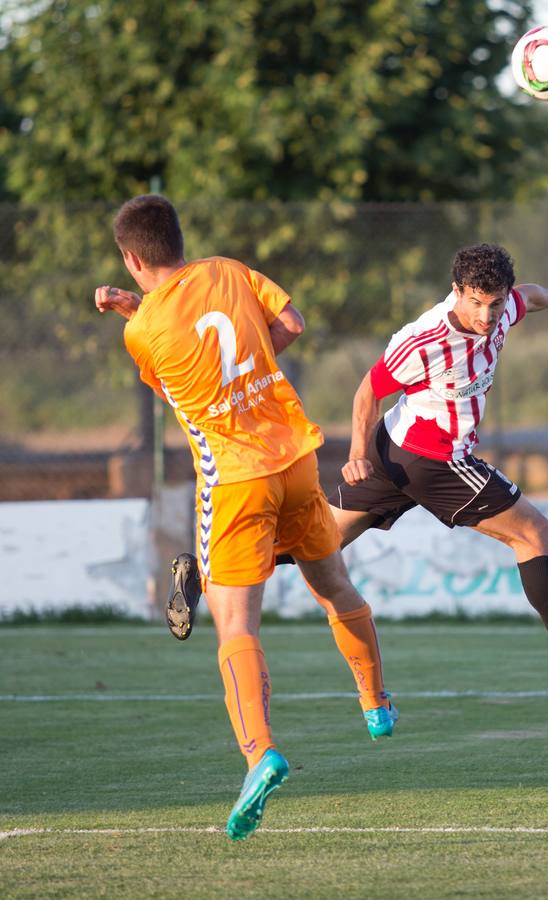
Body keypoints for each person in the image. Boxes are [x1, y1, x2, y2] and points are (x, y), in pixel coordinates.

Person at [95, 195, 397, 842]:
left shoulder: (140, 333)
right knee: (333, 586)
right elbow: (292, 322)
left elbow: (173, 378)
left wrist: (133, 311)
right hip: (295, 459)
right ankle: (376, 703)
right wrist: (259, 362)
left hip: (234, 479)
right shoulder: (230, 270)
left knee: (235, 625)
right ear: (178, 238)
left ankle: (260, 752)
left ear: (131, 257)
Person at [284, 242, 548, 686]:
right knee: (534, 533)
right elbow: (368, 392)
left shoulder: (504, 307)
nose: (486, 316)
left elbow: (527, 296)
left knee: (318, 541)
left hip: (397, 451)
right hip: (432, 459)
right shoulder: (425, 340)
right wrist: (356, 454)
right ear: (456, 290)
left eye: (494, 304)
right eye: (475, 303)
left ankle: (208, 572)